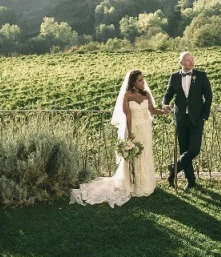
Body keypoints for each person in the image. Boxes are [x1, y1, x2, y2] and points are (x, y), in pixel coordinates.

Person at [70, 69, 167, 207]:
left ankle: (144, 184)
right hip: (133, 129)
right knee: (133, 157)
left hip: (145, 129)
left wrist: (164, 111)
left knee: (144, 155)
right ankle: (132, 184)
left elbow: (152, 111)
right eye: (140, 80)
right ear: (133, 83)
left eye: (143, 79)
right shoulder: (127, 95)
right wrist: (130, 133)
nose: (143, 82)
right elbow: (127, 115)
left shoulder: (146, 94)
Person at [162, 51, 213, 191]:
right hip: (181, 119)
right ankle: (191, 181)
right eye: (188, 60)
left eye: (192, 59)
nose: (191, 62)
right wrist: (164, 104)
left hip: (197, 119)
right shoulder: (174, 77)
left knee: (194, 149)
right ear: (181, 63)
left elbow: (208, 97)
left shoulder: (201, 76)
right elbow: (168, 94)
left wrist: (204, 116)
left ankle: (174, 167)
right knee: (184, 150)